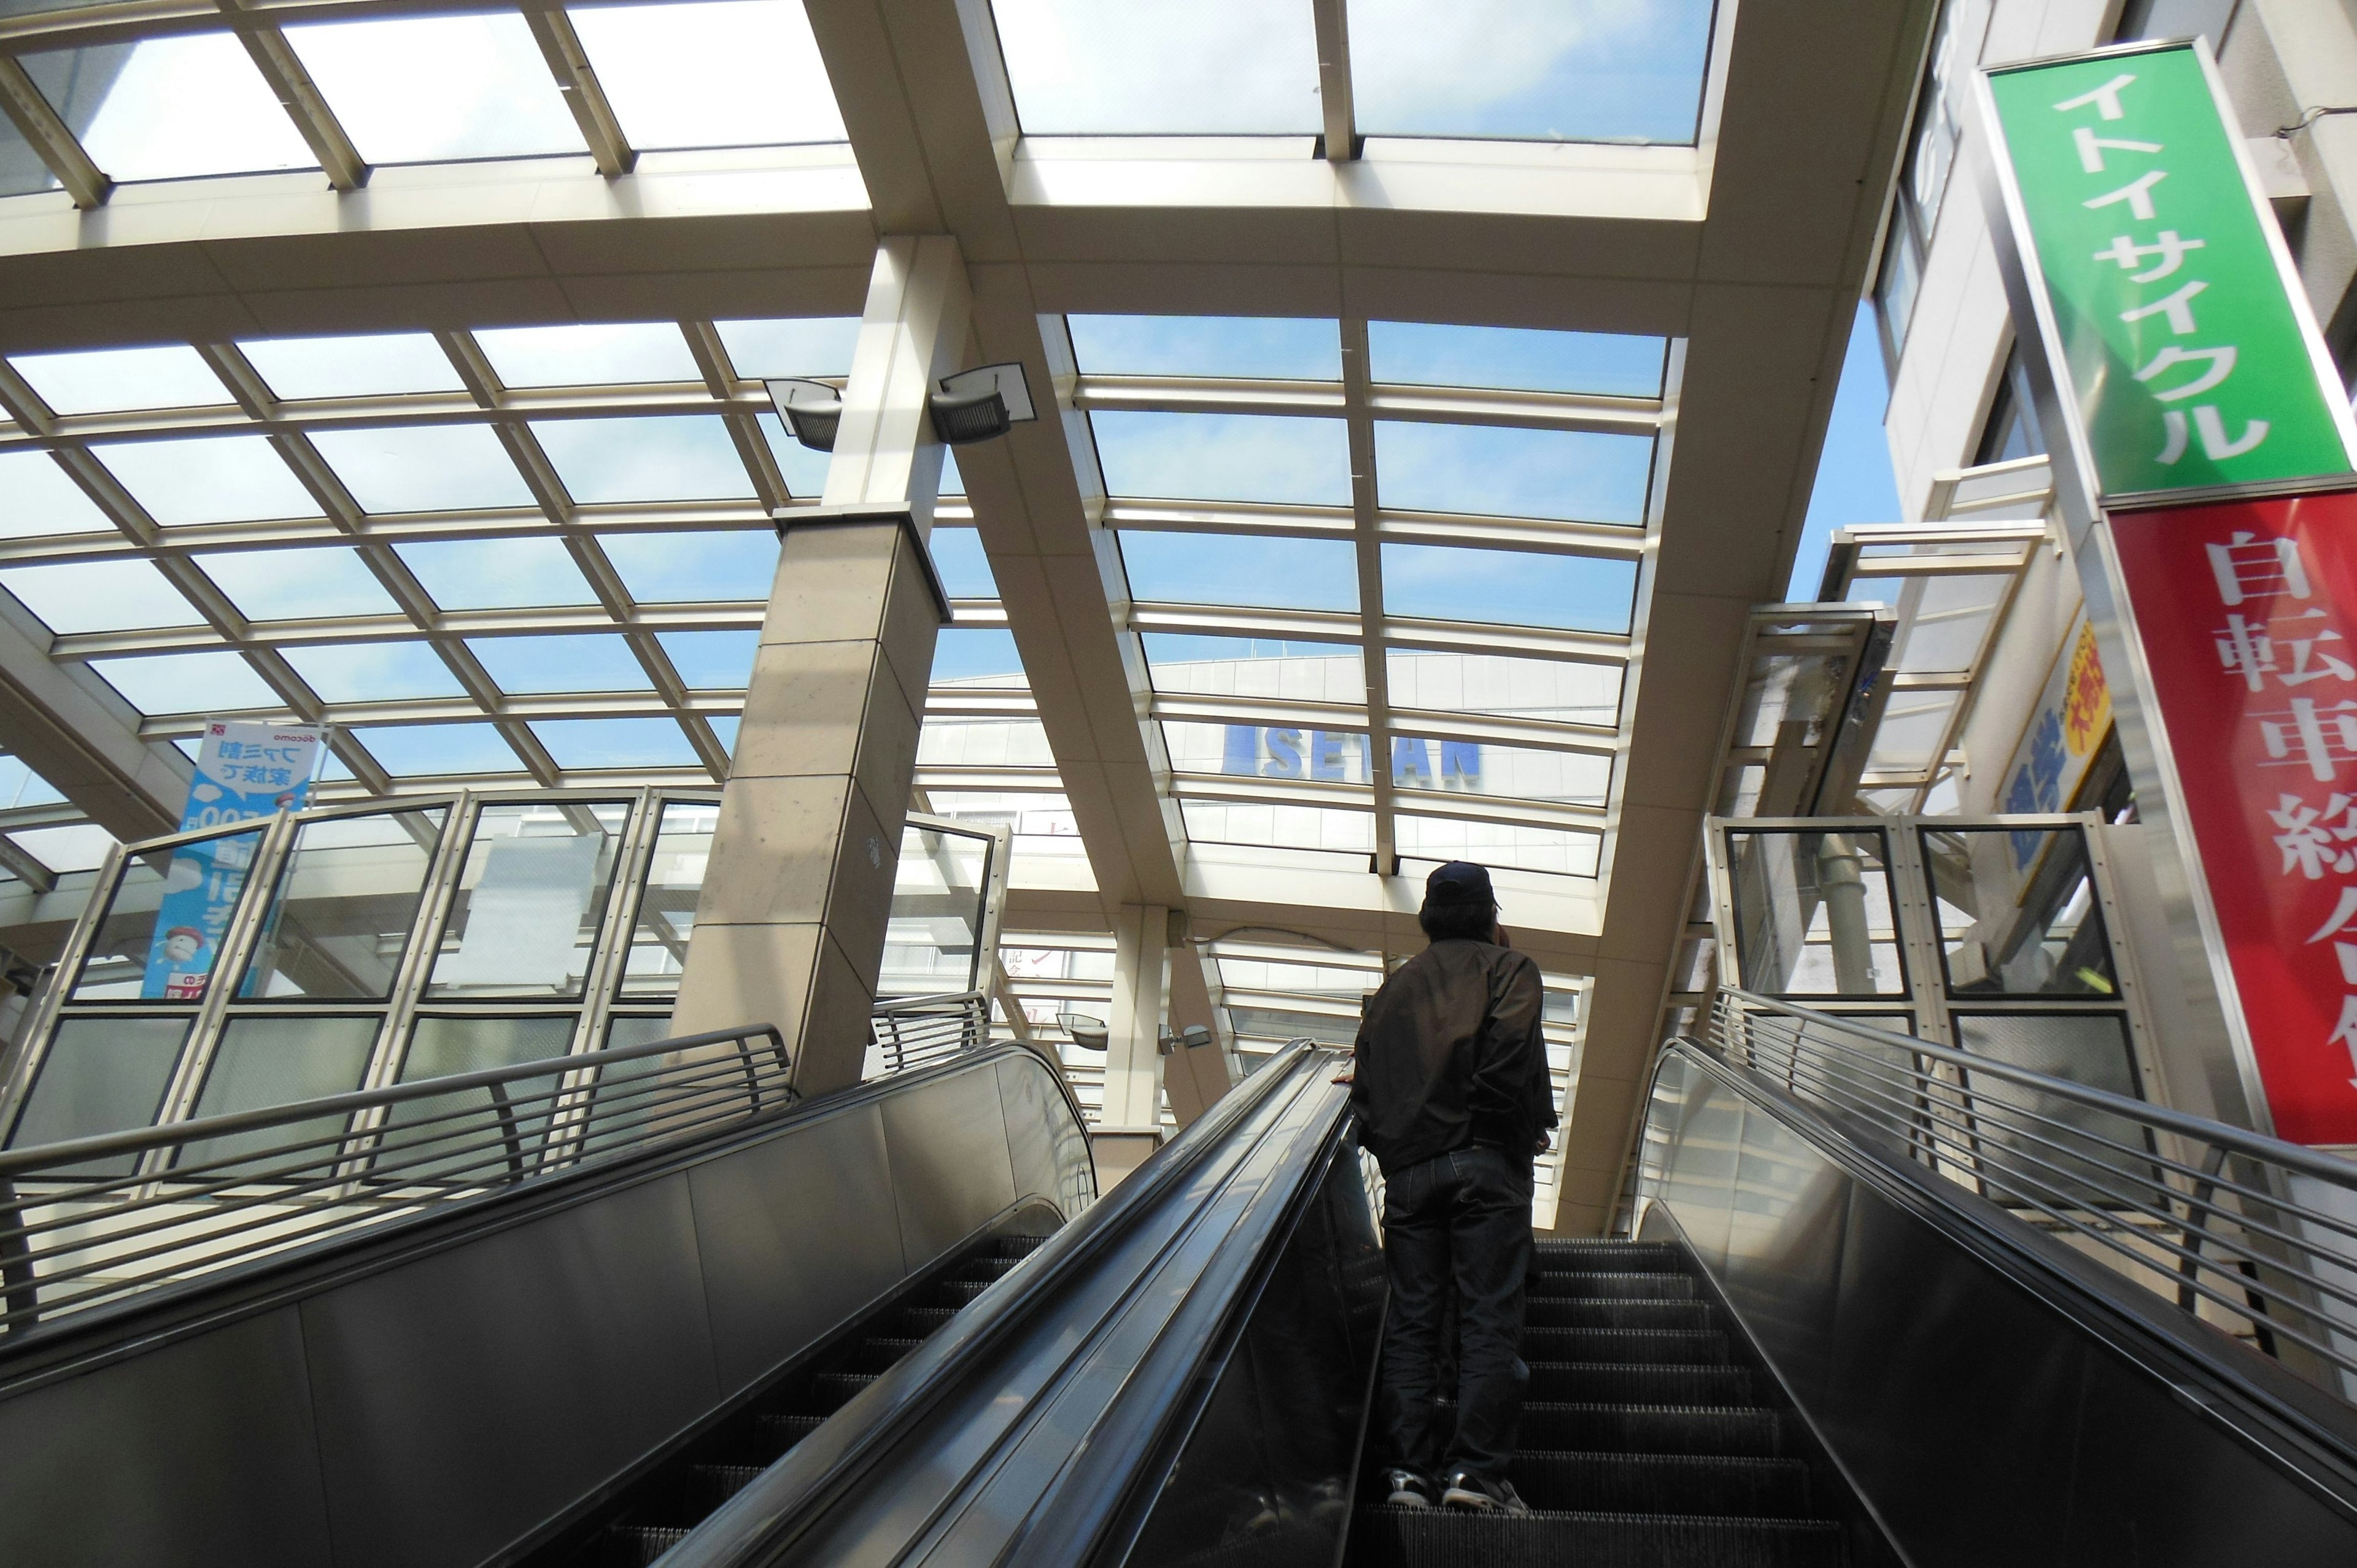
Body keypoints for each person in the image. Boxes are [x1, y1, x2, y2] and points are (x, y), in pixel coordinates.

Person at [1350, 860, 1555, 1516]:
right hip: (1483, 1163)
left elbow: (1364, 1088)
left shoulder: (1391, 990)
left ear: (1429, 917)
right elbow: (1509, 1055)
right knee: (1486, 1315)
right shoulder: (1510, 968)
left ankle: (1407, 1474)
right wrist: (1499, 1133)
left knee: (1411, 1324)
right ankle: (1475, 1471)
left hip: (1409, 1178)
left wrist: (1401, 1150)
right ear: (1490, 913)